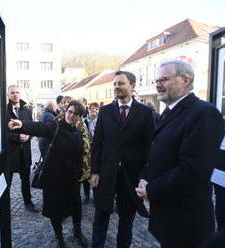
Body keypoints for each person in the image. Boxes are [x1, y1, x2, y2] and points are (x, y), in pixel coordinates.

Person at [136, 60, 224, 248]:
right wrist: (144, 177)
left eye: (164, 79)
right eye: (156, 80)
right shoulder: (169, 112)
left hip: (187, 222)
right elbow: (158, 151)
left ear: (185, 80)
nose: (158, 84)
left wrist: (151, 189)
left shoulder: (204, 113)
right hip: (169, 216)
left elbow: (193, 171)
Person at [8, 101, 88, 248]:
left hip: (71, 178)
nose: (71, 115)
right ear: (65, 111)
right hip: (54, 177)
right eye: (70, 111)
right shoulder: (55, 126)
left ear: (79, 117)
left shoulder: (78, 131)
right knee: (55, 209)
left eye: (76, 114)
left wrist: (78, 171)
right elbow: (40, 128)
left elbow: (81, 154)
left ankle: (77, 232)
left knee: (76, 206)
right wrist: (22, 125)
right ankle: (59, 238)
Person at [91, 71, 154, 248]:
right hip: (106, 174)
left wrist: (145, 175)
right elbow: (97, 144)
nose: (117, 87)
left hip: (131, 176)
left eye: (121, 83)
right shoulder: (105, 111)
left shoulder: (145, 112)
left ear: (132, 86)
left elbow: (149, 147)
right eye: (115, 84)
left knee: (126, 221)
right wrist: (95, 171)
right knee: (100, 218)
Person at [6, 85, 38, 213]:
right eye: (12, 93)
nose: (15, 94)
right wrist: (17, 137)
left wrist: (28, 136)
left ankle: (28, 202)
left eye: (17, 92)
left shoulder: (27, 111)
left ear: (20, 94)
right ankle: (5, 205)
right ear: (8, 95)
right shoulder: (3, 111)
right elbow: (2, 133)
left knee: (25, 180)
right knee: (6, 183)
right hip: (10, 154)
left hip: (25, 153)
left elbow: (32, 128)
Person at [82, 102, 99, 204]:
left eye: (97, 109)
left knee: (96, 172)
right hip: (86, 151)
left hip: (96, 150)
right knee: (86, 173)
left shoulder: (101, 121)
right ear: (89, 109)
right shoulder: (84, 121)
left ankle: (96, 195)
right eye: (93, 108)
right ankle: (87, 195)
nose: (94, 111)